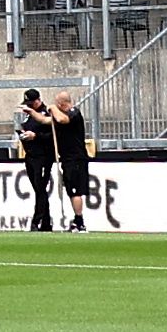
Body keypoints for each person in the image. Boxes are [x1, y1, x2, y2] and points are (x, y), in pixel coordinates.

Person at [53, 92, 111, 232]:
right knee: (71, 190)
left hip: (76, 158)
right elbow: (46, 121)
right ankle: (76, 220)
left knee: (75, 191)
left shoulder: (73, 113)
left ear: (61, 104)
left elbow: (61, 119)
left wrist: (52, 108)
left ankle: (79, 221)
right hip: (67, 158)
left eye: (57, 104)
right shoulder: (61, 115)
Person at [13, 88, 57, 233]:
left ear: (37, 101)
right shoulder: (28, 116)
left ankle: (36, 221)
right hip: (30, 156)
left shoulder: (46, 114)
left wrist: (36, 136)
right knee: (39, 189)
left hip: (43, 156)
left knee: (40, 188)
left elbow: (52, 136)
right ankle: (45, 222)